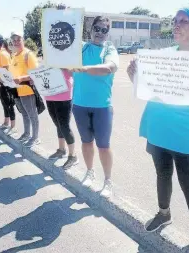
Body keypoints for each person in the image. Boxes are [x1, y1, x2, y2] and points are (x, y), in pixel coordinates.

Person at [127, 5, 189, 232]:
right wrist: (134, 76)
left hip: (186, 135)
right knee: (162, 174)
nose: (177, 24)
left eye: (184, 20)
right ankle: (164, 214)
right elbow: (146, 89)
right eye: (176, 20)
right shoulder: (163, 56)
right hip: (158, 129)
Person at [71, 16, 119, 196]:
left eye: (104, 30)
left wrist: (84, 68)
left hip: (102, 107)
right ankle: (90, 172)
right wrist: (62, 15)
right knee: (86, 142)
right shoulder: (80, 47)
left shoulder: (110, 48)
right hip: (80, 105)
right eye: (97, 28)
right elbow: (62, 41)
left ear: (108, 33)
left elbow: (109, 68)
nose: (99, 32)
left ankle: (108, 181)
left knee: (104, 146)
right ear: (90, 30)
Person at [10, 31, 40, 148]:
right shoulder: (14, 56)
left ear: (23, 40)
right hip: (17, 90)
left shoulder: (28, 54)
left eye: (18, 39)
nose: (16, 42)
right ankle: (27, 133)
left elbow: (36, 74)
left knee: (32, 115)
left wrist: (21, 78)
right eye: (14, 40)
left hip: (28, 90)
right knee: (24, 114)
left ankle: (35, 137)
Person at [45, 69, 78, 169]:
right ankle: (61, 150)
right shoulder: (48, 56)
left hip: (64, 94)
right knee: (57, 124)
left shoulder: (68, 55)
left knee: (64, 126)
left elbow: (75, 72)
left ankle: (73, 156)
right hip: (49, 94)